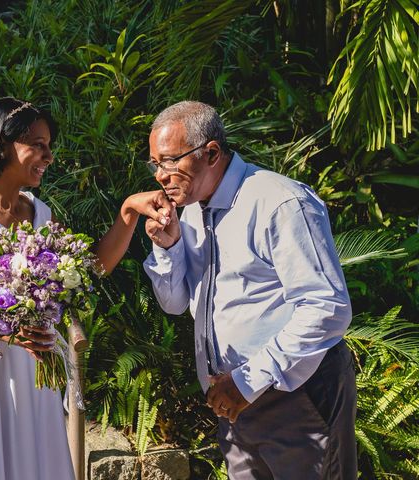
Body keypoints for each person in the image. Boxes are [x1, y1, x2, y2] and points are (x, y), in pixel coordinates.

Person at [0, 96, 170, 480]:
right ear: (1, 145)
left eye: (49, 146)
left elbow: (89, 268)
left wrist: (128, 212)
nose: (48, 156)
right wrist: (3, 331)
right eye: (38, 145)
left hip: (35, 369)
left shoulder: (40, 212)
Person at [142, 101, 356, 479]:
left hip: (295, 394)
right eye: (155, 164)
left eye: (170, 161)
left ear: (210, 153)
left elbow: (326, 308)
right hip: (231, 402)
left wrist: (247, 381)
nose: (160, 175)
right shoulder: (190, 209)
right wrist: (168, 246)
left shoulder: (279, 203)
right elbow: (175, 304)